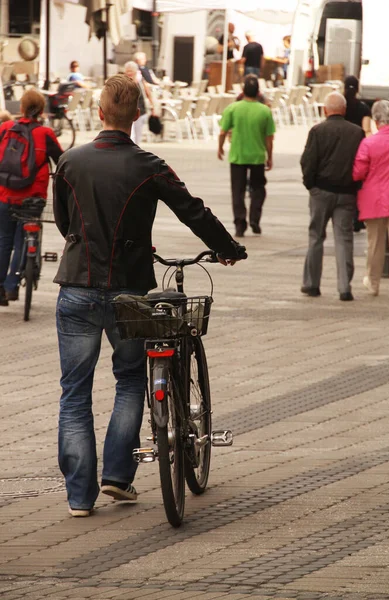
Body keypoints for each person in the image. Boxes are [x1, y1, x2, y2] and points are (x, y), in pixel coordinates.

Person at [53, 74, 246, 517]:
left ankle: (79, 499)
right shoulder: (149, 165)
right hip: (129, 291)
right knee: (130, 380)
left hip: (77, 288)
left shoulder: (69, 162)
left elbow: (66, 225)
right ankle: (117, 478)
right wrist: (226, 249)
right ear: (137, 115)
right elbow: (192, 208)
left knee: (74, 392)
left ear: (99, 113)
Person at [0, 90, 63, 306]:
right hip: (33, 199)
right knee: (21, 242)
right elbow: (62, 161)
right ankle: (12, 285)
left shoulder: (5, 129)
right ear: (42, 110)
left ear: (21, 108)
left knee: (3, 240)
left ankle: (0, 286)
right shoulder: (45, 133)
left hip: (5, 195)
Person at [300, 92, 364, 301]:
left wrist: (310, 185)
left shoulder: (317, 131)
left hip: (321, 191)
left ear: (326, 110)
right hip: (347, 193)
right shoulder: (357, 132)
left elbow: (308, 161)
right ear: (344, 110)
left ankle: (312, 284)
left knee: (316, 236)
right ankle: (344, 288)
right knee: (344, 239)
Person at [353, 100, 389, 301]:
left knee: (374, 243)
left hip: (374, 200)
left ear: (376, 120)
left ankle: (372, 283)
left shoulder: (369, 143)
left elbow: (358, 173)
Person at [218, 75, 275, 237]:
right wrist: (269, 157)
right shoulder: (265, 111)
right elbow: (269, 138)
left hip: (238, 156)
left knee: (238, 191)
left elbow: (223, 131)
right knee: (258, 189)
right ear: (258, 92)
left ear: (242, 91)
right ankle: (255, 219)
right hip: (257, 156)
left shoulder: (233, 108)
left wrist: (220, 147)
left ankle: (239, 224)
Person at [344, 75, 372, 233]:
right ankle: (357, 218)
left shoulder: (341, 105)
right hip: (358, 149)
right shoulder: (363, 108)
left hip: (342, 148)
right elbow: (366, 129)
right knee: (358, 185)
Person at [124, 61, 155, 144]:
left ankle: (136, 150)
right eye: (128, 71)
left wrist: (152, 106)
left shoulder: (140, 81)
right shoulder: (123, 81)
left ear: (135, 71)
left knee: (138, 135)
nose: (129, 73)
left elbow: (148, 93)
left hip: (140, 111)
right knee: (129, 134)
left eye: (131, 71)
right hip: (127, 112)